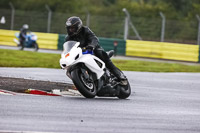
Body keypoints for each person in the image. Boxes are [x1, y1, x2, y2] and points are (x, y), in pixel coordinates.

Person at [65, 16, 127, 85]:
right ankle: (81, 82)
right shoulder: (68, 38)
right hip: (81, 53)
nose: (71, 30)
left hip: (93, 49)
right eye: (69, 28)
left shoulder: (85, 30)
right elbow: (68, 49)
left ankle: (121, 77)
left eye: (73, 28)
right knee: (71, 67)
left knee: (100, 54)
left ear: (78, 26)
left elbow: (94, 38)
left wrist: (92, 45)